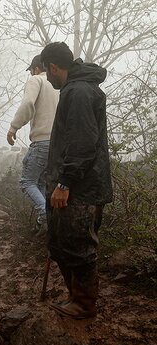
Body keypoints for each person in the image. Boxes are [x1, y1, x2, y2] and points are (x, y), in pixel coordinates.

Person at [40, 42, 113, 319]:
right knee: (61, 245)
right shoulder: (75, 89)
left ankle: (84, 305)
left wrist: (65, 183)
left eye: (47, 71)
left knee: (79, 247)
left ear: (54, 67)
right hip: (76, 186)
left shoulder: (79, 91)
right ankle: (76, 298)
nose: (47, 77)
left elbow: (83, 142)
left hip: (81, 189)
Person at [7, 54, 59, 232]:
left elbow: (28, 102)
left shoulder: (37, 80)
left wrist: (14, 127)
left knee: (27, 181)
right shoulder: (59, 85)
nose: (31, 74)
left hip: (42, 140)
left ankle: (44, 214)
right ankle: (46, 221)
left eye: (30, 70)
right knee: (42, 182)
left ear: (36, 68)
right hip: (58, 144)